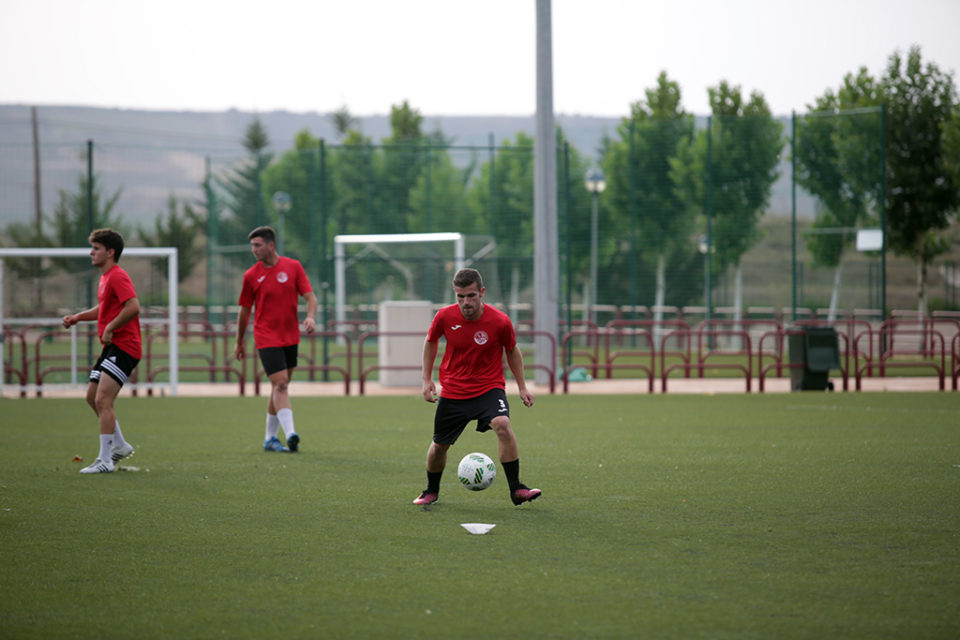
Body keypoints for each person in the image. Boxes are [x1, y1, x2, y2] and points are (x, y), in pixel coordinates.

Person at [414, 268, 541, 506]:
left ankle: (517, 489)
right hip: (453, 391)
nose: (465, 302)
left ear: (481, 292)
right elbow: (430, 342)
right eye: (460, 297)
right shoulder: (444, 317)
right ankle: (431, 490)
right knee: (439, 445)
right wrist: (426, 379)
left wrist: (522, 387)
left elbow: (512, 350)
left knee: (503, 424)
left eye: (471, 296)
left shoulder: (500, 321)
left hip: (488, 388)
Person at [62, 228, 141, 474]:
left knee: (102, 400)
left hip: (125, 346)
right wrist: (78, 317)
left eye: (96, 248)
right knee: (92, 397)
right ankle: (119, 444)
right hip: (113, 345)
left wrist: (111, 327)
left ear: (110, 252)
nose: (91, 252)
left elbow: (133, 306)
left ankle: (105, 460)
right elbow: (105, 307)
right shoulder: (106, 277)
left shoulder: (117, 275)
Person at [235, 226, 317, 452]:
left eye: (257, 245)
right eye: (252, 246)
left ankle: (269, 438)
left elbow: (311, 297)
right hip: (266, 336)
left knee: (280, 386)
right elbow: (244, 310)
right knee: (280, 384)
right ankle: (290, 433)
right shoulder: (251, 276)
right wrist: (239, 339)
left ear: (271, 245)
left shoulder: (293, 267)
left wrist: (310, 317)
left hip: (290, 336)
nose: (254, 250)